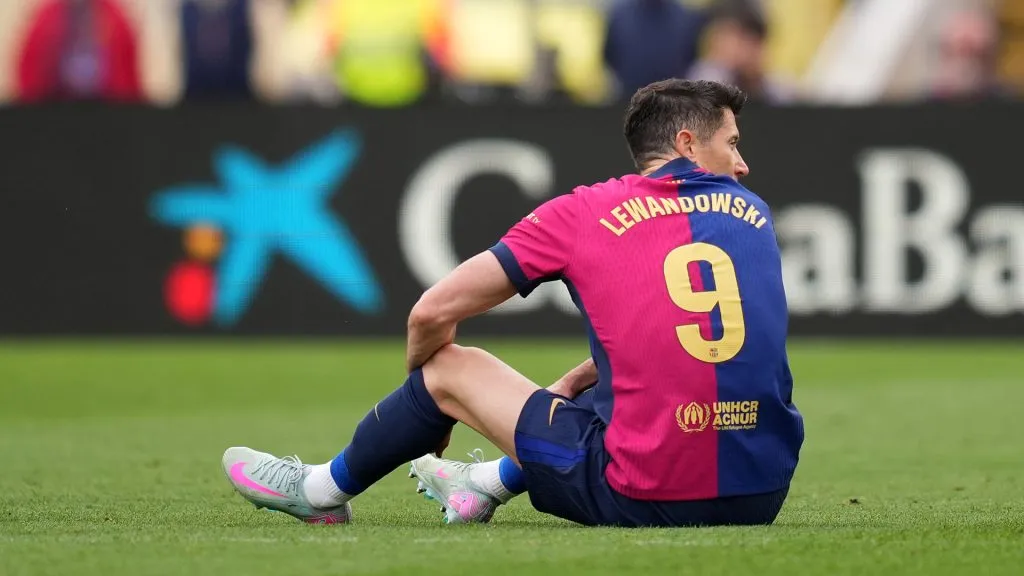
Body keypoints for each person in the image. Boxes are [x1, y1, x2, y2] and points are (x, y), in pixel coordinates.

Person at [221, 78, 805, 527]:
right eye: (732, 143)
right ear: (687, 145)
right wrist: (578, 379)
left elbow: (430, 313)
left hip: (643, 497)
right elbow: (690, 339)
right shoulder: (753, 213)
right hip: (761, 494)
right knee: (615, 383)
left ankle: (320, 491)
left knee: (450, 366)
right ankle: (484, 485)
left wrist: (428, 404)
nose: (742, 162)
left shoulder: (582, 212)